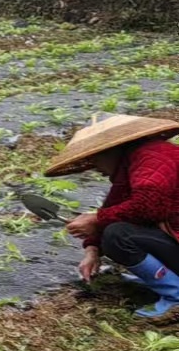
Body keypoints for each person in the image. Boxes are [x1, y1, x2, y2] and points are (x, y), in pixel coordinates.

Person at [46, 114, 179, 322]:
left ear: (111, 150)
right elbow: (113, 208)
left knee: (118, 235)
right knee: (113, 231)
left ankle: (175, 296)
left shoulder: (155, 158)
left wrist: (96, 219)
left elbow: (147, 206)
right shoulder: (133, 164)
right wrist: (92, 250)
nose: (95, 167)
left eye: (95, 159)